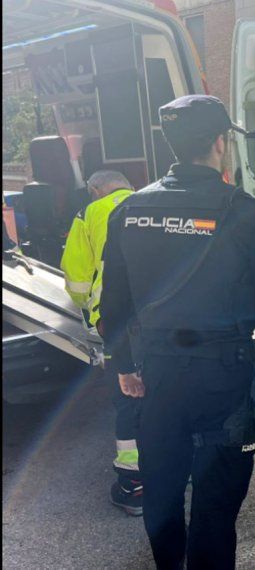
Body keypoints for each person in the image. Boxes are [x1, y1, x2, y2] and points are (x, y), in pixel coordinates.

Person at [100, 95, 255, 569]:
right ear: (220, 143)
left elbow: (112, 306)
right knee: (216, 507)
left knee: (161, 491)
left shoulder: (130, 210)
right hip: (224, 377)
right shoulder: (242, 211)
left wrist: (124, 367)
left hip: (158, 375)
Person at [60, 170, 143, 515]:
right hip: (165, 318)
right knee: (169, 392)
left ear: (95, 190)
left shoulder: (89, 213)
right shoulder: (152, 201)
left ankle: (133, 485)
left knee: (129, 397)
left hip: (117, 322)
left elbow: (77, 278)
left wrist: (88, 311)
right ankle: (179, 469)